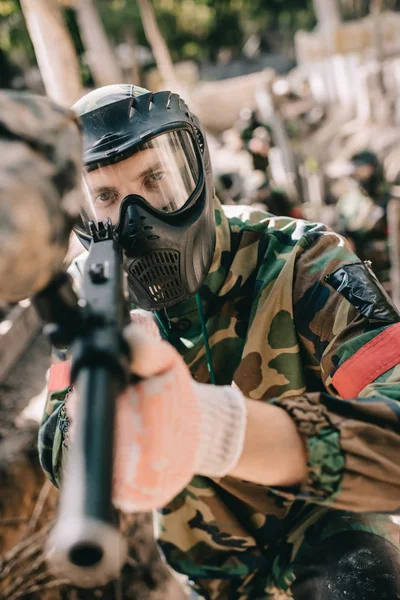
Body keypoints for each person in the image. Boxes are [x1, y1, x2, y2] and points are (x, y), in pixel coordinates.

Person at [39, 85, 400, 600]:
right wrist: (97, 405)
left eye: (156, 178)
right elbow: (59, 456)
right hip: (208, 565)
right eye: (106, 197)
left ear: (197, 171)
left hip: (330, 523)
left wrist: (213, 428)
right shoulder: (89, 301)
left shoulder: (299, 260)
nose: (136, 219)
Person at [336, 150, 392, 291]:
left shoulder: (388, 199)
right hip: (362, 270)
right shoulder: (348, 201)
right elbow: (344, 232)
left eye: (363, 169)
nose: (358, 175)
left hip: (388, 269)